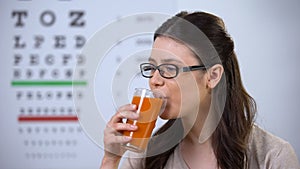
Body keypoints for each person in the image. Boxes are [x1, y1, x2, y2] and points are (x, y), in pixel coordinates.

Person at [100, 11, 300, 169]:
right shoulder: (146, 155)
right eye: (152, 68)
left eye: (170, 68)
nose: (154, 80)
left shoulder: (272, 156)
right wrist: (111, 159)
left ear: (212, 76)